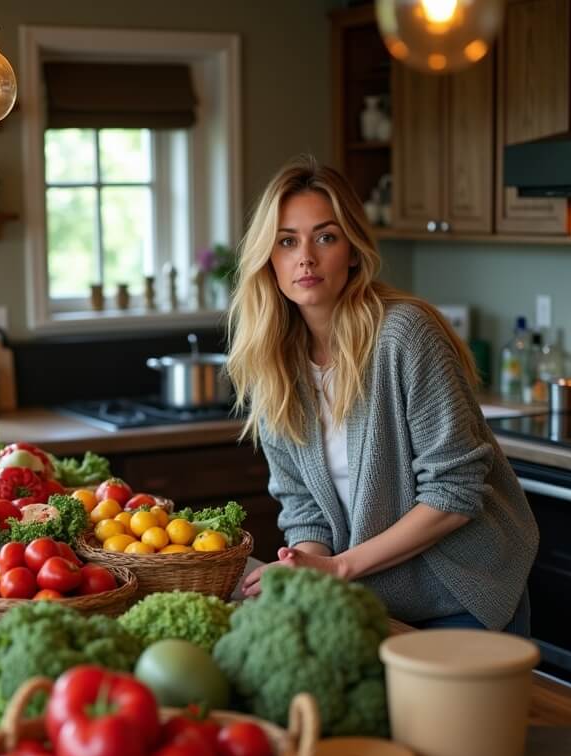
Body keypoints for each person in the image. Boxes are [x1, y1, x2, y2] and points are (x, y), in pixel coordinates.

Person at [228, 156, 537, 634]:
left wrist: (339, 570)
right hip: (368, 597)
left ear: (352, 250)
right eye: (287, 241)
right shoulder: (274, 365)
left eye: (325, 237)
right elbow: (305, 508)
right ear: (269, 259)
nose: (305, 256)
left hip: (459, 594)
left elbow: (454, 494)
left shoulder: (405, 334)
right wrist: (302, 566)